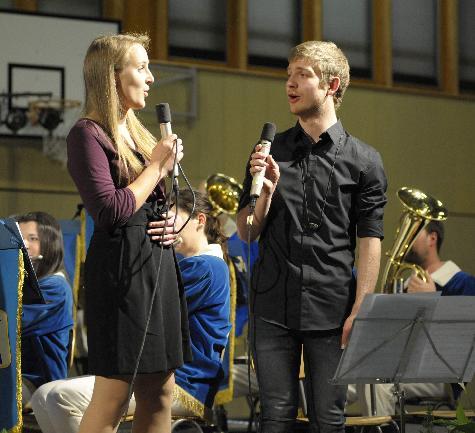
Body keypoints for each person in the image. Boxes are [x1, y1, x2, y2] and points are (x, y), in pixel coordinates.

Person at [236, 41, 388, 433]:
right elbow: (247, 231)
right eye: (288, 75)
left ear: (331, 85)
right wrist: (265, 191)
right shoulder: (270, 151)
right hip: (272, 306)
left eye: (302, 75)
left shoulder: (365, 161)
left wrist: (362, 309)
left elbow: (370, 240)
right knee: (276, 416)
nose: (290, 83)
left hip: (333, 309)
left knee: (329, 419)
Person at [65, 33, 191, 433]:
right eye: (141, 67)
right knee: (115, 395)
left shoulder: (138, 136)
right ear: (111, 76)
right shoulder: (87, 134)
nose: (151, 78)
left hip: (156, 265)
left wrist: (170, 221)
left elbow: (145, 205)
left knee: (160, 391)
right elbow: (109, 210)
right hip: (122, 274)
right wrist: (156, 168)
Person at [30, 190, 231, 433]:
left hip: (184, 380)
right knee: (44, 395)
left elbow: (146, 307)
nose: (164, 226)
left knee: (58, 397)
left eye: (171, 218)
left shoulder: (207, 266)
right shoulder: (194, 265)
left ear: (200, 220)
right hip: (156, 371)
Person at [349, 220, 475, 416]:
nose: (405, 241)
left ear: (432, 238)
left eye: (414, 233)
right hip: (400, 368)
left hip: (443, 376)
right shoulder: (404, 285)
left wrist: (434, 302)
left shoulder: (463, 283)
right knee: (333, 382)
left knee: (375, 381)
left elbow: (463, 344)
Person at [15, 211, 73, 409]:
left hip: (38, 381)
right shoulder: (26, 283)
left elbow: (13, 323)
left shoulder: (54, 287)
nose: (25, 246)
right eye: (20, 239)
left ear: (49, 244)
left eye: (33, 239)